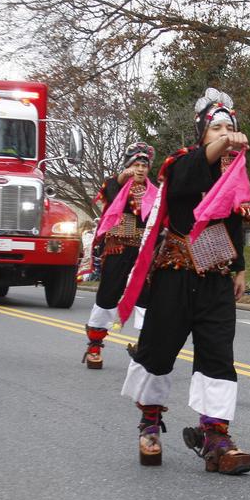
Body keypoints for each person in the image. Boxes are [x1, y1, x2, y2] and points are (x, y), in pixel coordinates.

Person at [117, 87, 250, 474]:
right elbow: (187, 179)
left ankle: (215, 435)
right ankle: (150, 421)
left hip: (216, 277)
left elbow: (232, 225)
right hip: (175, 276)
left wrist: (239, 268)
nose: (226, 134)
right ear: (202, 134)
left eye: (230, 127)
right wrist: (224, 143)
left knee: (217, 356)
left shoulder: (235, 174)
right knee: (157, 352)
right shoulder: (180, 164)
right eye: (217, 128)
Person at [81, 142, 157, 368]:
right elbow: (112, 197)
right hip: (118, 248)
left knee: (146, 296)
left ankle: (145, 347)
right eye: (136, 164)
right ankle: (94, 345)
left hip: (143, 252)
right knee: (108, 294)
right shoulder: (114, 185)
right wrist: (123, 177)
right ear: (128, 166)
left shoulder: (155, 192)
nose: (141, 168)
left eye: (145, 164)